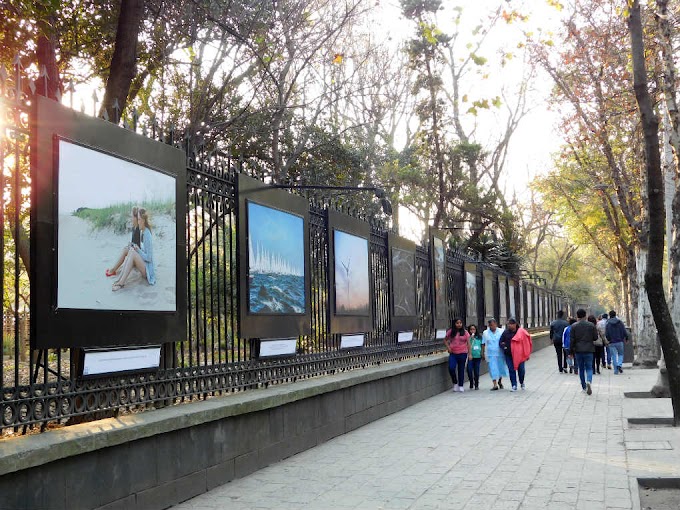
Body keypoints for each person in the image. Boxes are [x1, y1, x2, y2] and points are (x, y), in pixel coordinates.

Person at [112, 208, 156, 291]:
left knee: (132, 252)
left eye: (139, 219)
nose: (137, 221)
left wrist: (138, 250)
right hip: (144, 264)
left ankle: (121, 283)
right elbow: (144, 250)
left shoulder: (147, 234)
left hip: (148, 271)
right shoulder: (143, 231)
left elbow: (149, 258)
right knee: (132, 251)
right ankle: (119, 279)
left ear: (143, 220)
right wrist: (137, 248)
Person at [105, 206, 140, 277]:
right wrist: (130, 244)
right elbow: (134, 242)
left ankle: (113, 270)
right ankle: (114, 269)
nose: (131, 218)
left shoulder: (139, 229)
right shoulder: (134, 227)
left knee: (125, 250)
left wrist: (131, 246)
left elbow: (139, 246)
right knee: (125, 249)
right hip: (134, 250)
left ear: (136, 218)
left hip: (138, 253)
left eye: (132, 216)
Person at [570, 308, 598, 395]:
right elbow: (595, 338)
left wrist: (571, 352)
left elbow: (572, 340)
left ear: (577, 316)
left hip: (578, 350)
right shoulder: (591, 325)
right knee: (589, 368)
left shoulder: (574, 326)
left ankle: (584, 387)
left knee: (581, 369)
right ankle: (589, 381)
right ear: (585, 315)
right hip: (589, 349)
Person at [499, 318, 532, 391]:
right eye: (508, 324)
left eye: (510, 324)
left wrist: (526, 353)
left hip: (519, 355)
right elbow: (501, 342)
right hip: (509, 354)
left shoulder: (521, 332)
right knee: (511, 369)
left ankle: (522, 382)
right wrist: (504, 346)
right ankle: (514, 385)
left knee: (521, 370)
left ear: (515, 324)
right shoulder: (506, 332)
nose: (509, 326)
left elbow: (526, 342)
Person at [444, 318, 471, 392]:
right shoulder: (450, 332)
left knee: (461, 369)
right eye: (457, 323)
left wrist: (470, 354)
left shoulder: (465, 332)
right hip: (453, 353)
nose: (459, 324)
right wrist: (448, 347)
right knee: (451, 368)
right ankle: (455, 382)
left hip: (463, 353)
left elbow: (468, 344)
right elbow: (445, 340)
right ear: (454, 324)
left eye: (460, 323)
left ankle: (461, 385)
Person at [482, 318, 507, 391]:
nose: (491, 327)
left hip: (500, 353)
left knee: (500, 368)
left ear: (496, 324)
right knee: (492, 368)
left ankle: (499, 380)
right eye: (490, 325)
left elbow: (505, 341)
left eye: (492, 325)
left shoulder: (501, 331)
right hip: (490, 353)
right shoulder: (485, 333)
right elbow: (483, 343)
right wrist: (483, 353)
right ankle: (495, 384)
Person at [605, 310, 629, 374]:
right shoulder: (620, 322)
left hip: (611, 342)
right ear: (615, 315)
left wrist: (608, 339)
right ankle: (619, 364)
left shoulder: (608, 323)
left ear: (609, 315)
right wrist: (626, 337)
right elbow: (624, 331)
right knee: (621, 354)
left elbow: (606, 334)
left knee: (613, 356)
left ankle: (615, 371)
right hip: (620, 341)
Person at [466, 325, 483, 390]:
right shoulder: (468, 338)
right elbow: (466, 345)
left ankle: (476, 384)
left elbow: (482, 345)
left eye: (474, 329)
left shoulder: (479, 337)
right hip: (470, 356)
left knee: (476, 371)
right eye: (471, 329)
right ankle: (471, 381)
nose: (472, 331)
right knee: (469, 369)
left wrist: (482, 353)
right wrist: (470, 338)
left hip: (477, 356)